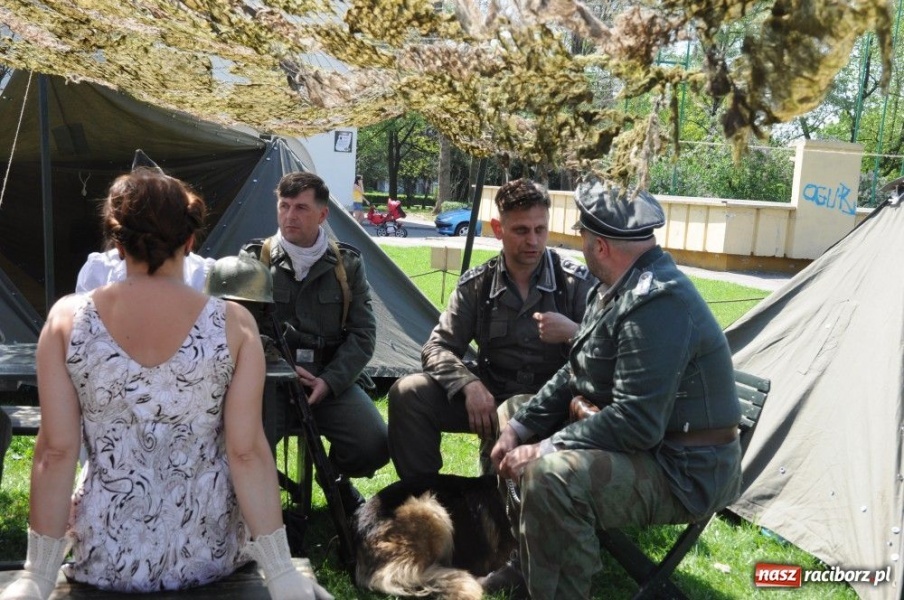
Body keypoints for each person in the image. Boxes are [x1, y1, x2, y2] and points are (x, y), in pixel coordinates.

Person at [0, 168, 331, 600]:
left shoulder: (66, 320)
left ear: (117, 243)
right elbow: (246, 451)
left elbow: (56, 452)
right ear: (190, 241)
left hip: (106, 554)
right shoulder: (234, 325)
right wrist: (283, 573)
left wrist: (37, 576)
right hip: (208, 555)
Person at [486, 177, 742, 599]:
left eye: (585, 234)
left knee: (553, 475)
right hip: (658, 447)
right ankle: (528, 560)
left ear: (601, 246)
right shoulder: (617, 286)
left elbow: (637, 423)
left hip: (683, 469)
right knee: (514, 411)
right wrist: (522, 428)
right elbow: (576, 371)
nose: (581, 242)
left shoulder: (656, 301)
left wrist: (547, 447)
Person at [388, 178, 597, 481]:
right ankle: (427, 499)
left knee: (515, 417)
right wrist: (467, 384)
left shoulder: (574, 283)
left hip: (554, 403)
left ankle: (501, 499)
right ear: (498, 229)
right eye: (521, 230)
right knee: (408, 393)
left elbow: (609, 350)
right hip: (490, 394)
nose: (533, 241)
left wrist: (573, 332)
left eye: (540, 230)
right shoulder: (479, 285)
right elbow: (437, 347)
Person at [240, 171, 388, 513]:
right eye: (284, 206)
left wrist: (330, 381)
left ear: (323, 214)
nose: (290, 215)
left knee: (374, 444)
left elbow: (363, 334)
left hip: (327, 379)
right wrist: (280, 366)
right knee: (246, 444)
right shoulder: (253, 260)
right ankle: (255, 505)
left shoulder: (347, 265)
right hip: (268, 382)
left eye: (302, 208)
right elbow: (238, 330)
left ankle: (335, 478)